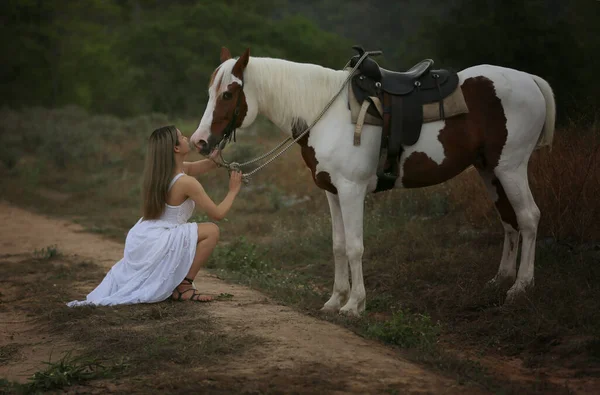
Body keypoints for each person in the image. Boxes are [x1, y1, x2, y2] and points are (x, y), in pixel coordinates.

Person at [67, 125, 242, 306]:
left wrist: (220, 143)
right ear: (175, 148)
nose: (186, 138)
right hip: (159, 238)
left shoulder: (167, 173)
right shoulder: (186, 182)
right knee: (212, 231)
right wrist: (233, 190)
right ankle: (184, 287)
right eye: (181, 137)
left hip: (143, 235)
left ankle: (178, 284)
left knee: (198, 231)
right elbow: (218, 214)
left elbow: (210, 164)